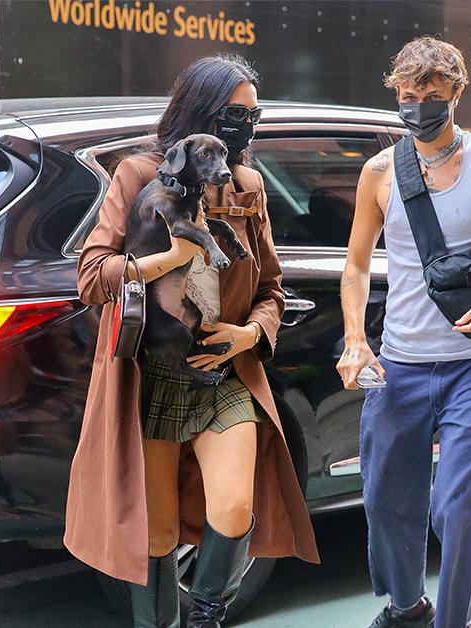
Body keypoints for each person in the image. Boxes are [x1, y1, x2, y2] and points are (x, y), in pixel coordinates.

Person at [70, 55, 319, 627]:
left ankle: (206, 619)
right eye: (234, 114)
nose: (246, 127)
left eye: (254, 115)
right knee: (155, 533)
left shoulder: (249, 186)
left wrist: (251, 332)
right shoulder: (137, 175)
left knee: (234, 508)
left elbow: (272, 287)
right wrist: (170, 258)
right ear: (199, 111)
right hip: (152, 376)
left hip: (224, 373)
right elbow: (91, 276)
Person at [335, 36, 471, 628]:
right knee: (384, 502)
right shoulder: (379, 172)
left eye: (431, 95)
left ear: (456, 93)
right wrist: (355, 338)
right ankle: (407, 609)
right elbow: (356, 264)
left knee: (459, 511)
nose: (418, 105)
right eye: (407, 95)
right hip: (398, 366)